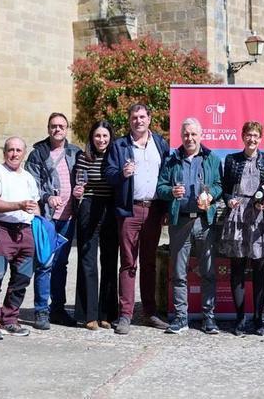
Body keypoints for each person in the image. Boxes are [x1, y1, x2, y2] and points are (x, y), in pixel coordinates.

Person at [105, 103, 170, 335]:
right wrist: (121, 174)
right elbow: (108, 173)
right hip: (129, 210)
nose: (138, 121)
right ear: (129, 120)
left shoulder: (160, 144)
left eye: (142, 117)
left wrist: (166, 209)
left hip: (153, 210)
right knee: (128, 262)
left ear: (149, 119)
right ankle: (125, 314)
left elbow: (168, 176)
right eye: (134, 117)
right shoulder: (119, 145)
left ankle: (150, 312)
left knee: (149, 262)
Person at [156, 118, 222, 335]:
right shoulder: (172, 160)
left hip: (204, 221)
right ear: (181, 136)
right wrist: (171, 192)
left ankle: (209, 318)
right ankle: (181, 317)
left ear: (200, 135)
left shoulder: (211, 158)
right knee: (178, 272)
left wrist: (211, 195)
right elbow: (161, 186)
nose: (190, 138)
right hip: (180, 221)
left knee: (208, 271)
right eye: (186, 134)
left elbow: (219, 185)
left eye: (193, 134)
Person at [218, 121, 264, 336]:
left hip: (260, 217)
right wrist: (229, 200)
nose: (252, 139)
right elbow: (225, 189)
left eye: (255, 136)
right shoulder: (231, 160)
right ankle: (240, 318)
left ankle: (258, 318)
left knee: (260, 269)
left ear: (260, 138)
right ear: (242, 136)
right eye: (248, 135)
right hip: (237, 216)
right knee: (238, 268)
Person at [0, 137, 43, 340]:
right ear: (4, 152)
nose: (14, 154)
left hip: (25, 231)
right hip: (1, 230)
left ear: (24, 153)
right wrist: (19, 205)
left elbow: (35, 205)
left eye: (18, 150)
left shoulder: (28, 177)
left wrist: (40, 226)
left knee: (22, 278)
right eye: (11, 150)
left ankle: (10, 318)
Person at [25, 112, 82, 328]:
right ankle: (41, 310)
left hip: (68, 218)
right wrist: (48, 197)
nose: (57, 129)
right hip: (47, 218)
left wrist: (81, 191)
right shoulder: (38, 154)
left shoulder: (75, 152)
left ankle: (58, 309)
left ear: (67, 129)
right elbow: (32, 184)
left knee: (61, 265)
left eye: (61, 126)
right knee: (44, 263)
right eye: (53, 126)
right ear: (48, 128)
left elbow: (82, 179)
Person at [72, 121, 119, 331]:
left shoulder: (116, 157)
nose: (101, 140)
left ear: (110, 137)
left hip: (110, 208)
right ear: (92, 137)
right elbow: (79, 183)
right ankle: (88, 314)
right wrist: (78, 191)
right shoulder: (84, 157)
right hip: (89, 206)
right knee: (87, 260)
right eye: (98, 136)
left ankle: (107, 313)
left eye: (105, 136)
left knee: (110, 260)